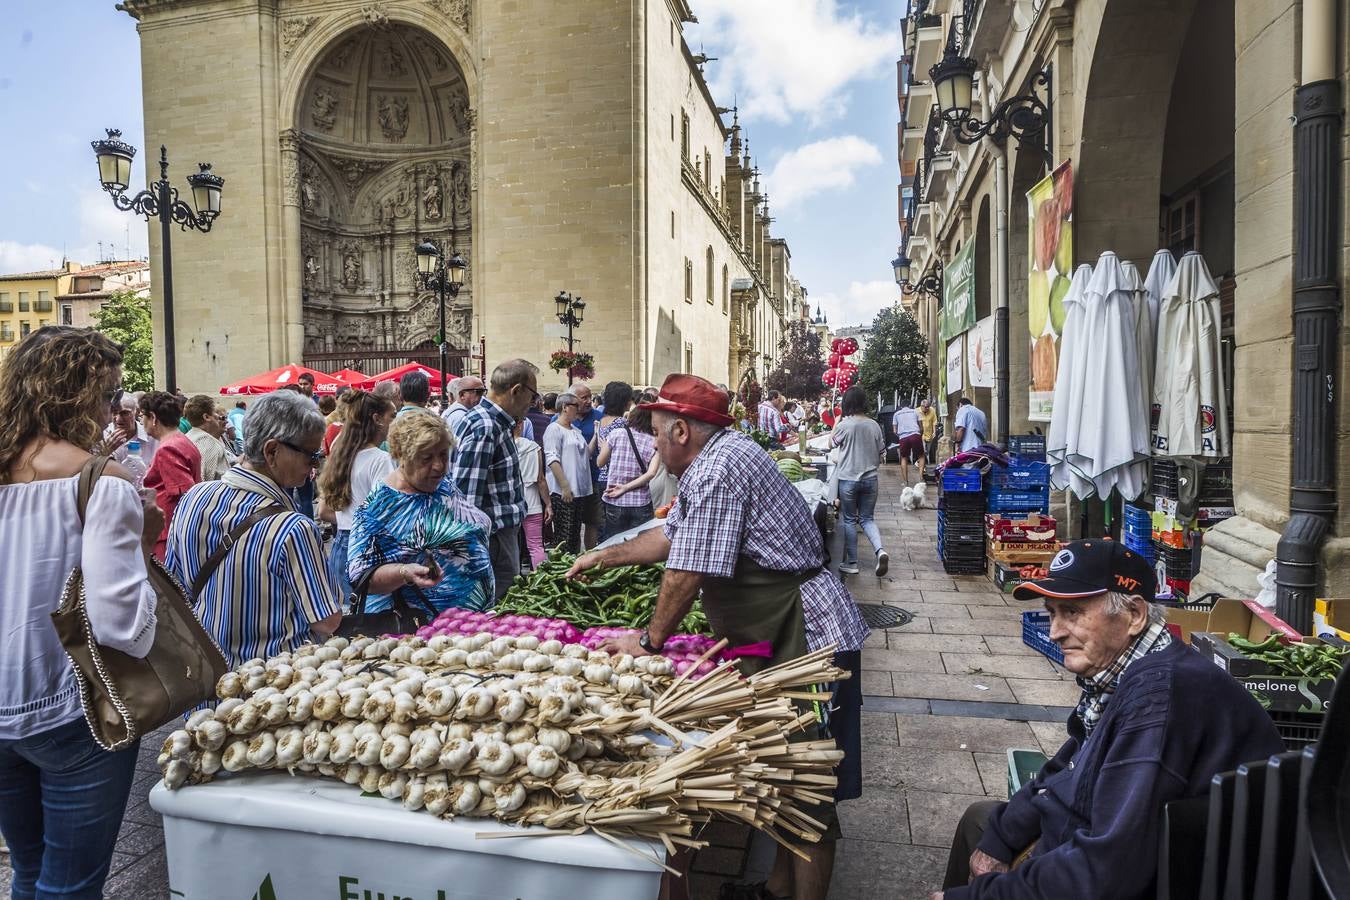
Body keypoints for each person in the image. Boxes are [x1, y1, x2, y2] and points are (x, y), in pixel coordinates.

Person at [566, 374, 869, 900]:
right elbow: (670, 534)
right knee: (784, 768)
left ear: (681, 430)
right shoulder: (722, 457)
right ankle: (775, 888)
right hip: (779, 636)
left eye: (659, 434)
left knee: (809, 784)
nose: (656, 445)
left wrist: (651, 640)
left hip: (807, 639)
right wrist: (603, 554)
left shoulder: (717, 470)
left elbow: (686, 571)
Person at [935, 540, 1284, 900]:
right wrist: (1003, 836)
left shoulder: (1160, 694)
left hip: (1177, 878)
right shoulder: (1122, 672)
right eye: (1052, 612)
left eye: (1072, 613)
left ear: (1134, 615)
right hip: (1109, 846)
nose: (1055, 631)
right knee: (982, 821)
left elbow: (1110, 869)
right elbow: (1067, 767)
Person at [0, 327, 160, 899]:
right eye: (111, 395)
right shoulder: (100, 482)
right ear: (79, 396)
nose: (115, 412)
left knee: (28, 870)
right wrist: (143, 539)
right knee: (70, 885)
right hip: (73, 707)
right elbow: (122, 625)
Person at [167, 391, 344, 667]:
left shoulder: (194, 497)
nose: (313, 467)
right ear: (272, 451)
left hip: (205, 686)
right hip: (273, 691)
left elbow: (175, 588)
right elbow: (327, 620)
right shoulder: (293, 528)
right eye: (310, 456)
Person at [348, 410, 495, 614]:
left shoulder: (442, 484)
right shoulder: (380, 506)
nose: (439, 466)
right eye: (426, 458)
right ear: (402, 456)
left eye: (443, 454)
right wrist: (403, 572)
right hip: (424, 633)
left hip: (469, 625)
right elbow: (360, 577)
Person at [451, 359, 539, 598]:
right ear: (517, 390)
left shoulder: (493, 423)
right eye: (533, 395)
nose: (534, 403)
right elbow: (466, 498)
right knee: (495, 608)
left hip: (499, 537)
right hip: (492, 540)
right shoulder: (485, 426)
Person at [317, 390, 396, 600]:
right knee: (372, 622)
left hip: (341, 545)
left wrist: (348, 518)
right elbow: (384, 514)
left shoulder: (341, 455)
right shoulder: (380, 460)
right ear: (377, 419)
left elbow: (323, 511)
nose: (394, 423)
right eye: (392, 416)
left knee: (347, 620)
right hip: (368, 548)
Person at [832, 387, 889, 577]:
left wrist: (836, 421)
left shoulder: (845, 425)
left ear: (847, 403)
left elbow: (831, 444)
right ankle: (880, 550)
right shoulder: (874, 425)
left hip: (848, 479)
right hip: (870, 479)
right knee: (867, 519)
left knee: (849, 520)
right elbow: (882, 452)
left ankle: (853, 562)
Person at [141, 390, 202, 560]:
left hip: (168, 534)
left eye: (142, 416)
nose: (141, 421)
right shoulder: (181, 440)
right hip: (173, 532)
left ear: (153, 418)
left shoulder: (168, 448)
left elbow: (184, 495)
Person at [598, 401, 659, 539]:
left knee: (613, 544)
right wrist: (626, 487)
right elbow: (651, 473)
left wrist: (603, 448)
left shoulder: (616, 434)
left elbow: (600, 463)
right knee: (639, 546)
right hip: (641, 501)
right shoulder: (653, 441)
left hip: (614, 499)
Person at [543, 391, 593, 553]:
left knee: (574, 534)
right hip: (563, 490)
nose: (578, 409)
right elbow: (552, 459)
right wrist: (564, 485)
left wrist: (597, 435)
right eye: (575, 406)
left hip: (578, 491)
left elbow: (585, 454)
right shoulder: (554, 429)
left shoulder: (575, 431)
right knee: (564, 535)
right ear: (565, 407)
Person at [561, 381, 605, 548]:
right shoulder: (559, 421)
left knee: (592, 521)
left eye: (590, 397)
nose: (588, 401)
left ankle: (589, 555)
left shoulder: (599, 417)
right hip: (568, 480)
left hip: (592, 477)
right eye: (584, 398)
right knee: (571, 523)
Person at [592, 381, 634, 538]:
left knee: (605, 522)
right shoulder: (622, 424)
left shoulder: (602, 421)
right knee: (618, 527)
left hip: (602, 477)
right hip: (616, 478)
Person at [514, 417, 550, 568]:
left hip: (511, 502)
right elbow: (541, 479)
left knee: (511, 547)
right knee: (536, 546)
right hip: (532, 500)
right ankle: (541, 581)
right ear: (520, 425)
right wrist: (548, 504)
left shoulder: (502, 446)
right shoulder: (533, 447)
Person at [184, 394, 238, 481]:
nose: (219, 417)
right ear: (206, 417)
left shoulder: (188, 437)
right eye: (215, 413)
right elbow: (205, 481)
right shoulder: (209, 444)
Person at [891, 400, 926, 485]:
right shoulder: (916, 412)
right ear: (910, 405)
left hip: (903, 437)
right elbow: (921, 427)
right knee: (921, 455)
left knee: (904, 458)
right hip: (915, 435)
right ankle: (921, 478)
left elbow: (894, 430)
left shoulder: (896, 414)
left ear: (900, 406)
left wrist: (901, 435)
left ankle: (905, 481)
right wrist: (919, 434)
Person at [918, 397, 938, 467]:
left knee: (927, 450)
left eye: (928, 407)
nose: (927, 408)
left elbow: (934, 422)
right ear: (922, 406)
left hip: (929, 434)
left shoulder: (932, 410)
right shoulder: (917, 411)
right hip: (921, 434)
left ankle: (920, 462)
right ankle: (922, 464)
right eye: (926, 407)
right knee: (923, 449)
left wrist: (934, 432)